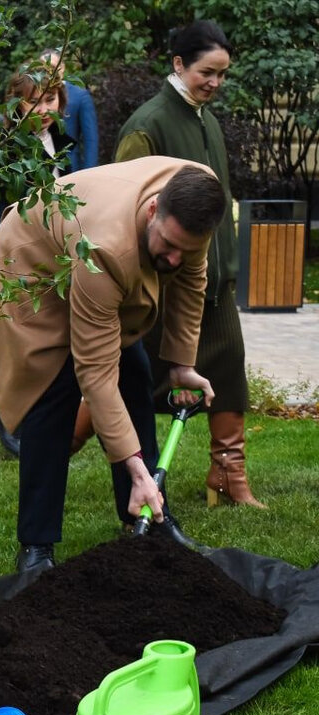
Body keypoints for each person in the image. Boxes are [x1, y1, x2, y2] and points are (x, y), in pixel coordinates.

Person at [0, 157, 226, 573]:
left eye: (183, 249)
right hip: (31, 269)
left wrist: (182, 365)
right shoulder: (106, 246)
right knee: (53, 390)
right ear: (154, 210)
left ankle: (145, 514)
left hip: (86, 260)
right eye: (167, 245)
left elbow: (191, 280)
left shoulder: (197, 197)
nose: (172, 259)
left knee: (135, 374)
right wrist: (134, 465)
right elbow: (94, 371)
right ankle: (36, 546)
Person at [114, 20, 265, 509]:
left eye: (222, 74)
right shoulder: (149, 123)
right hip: (163, 285)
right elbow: (125, 199)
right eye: (208, 72)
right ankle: (57, 441)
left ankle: (228, 475)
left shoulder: (208, 119)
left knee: (229, 372)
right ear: (179, 64)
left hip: (214, 280)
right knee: (137, 382)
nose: (215, 83)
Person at [0, 66, 76, 457]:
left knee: (52, 337)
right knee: (22, 336)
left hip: (54, 246)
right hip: (15, 247)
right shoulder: (6, 143)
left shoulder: (61, 138)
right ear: (16, 102)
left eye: (50, 99)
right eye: (33, 99)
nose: (42, 107)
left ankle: (26, 420)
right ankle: (11, 420)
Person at [40, 48, 99, 172]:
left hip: (70, 169)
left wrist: (90, 172)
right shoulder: (34, 96)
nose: (49, 72)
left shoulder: (80, 96)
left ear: (62, 67)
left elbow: (90, 140)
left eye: (53, 67)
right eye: (44, 68)